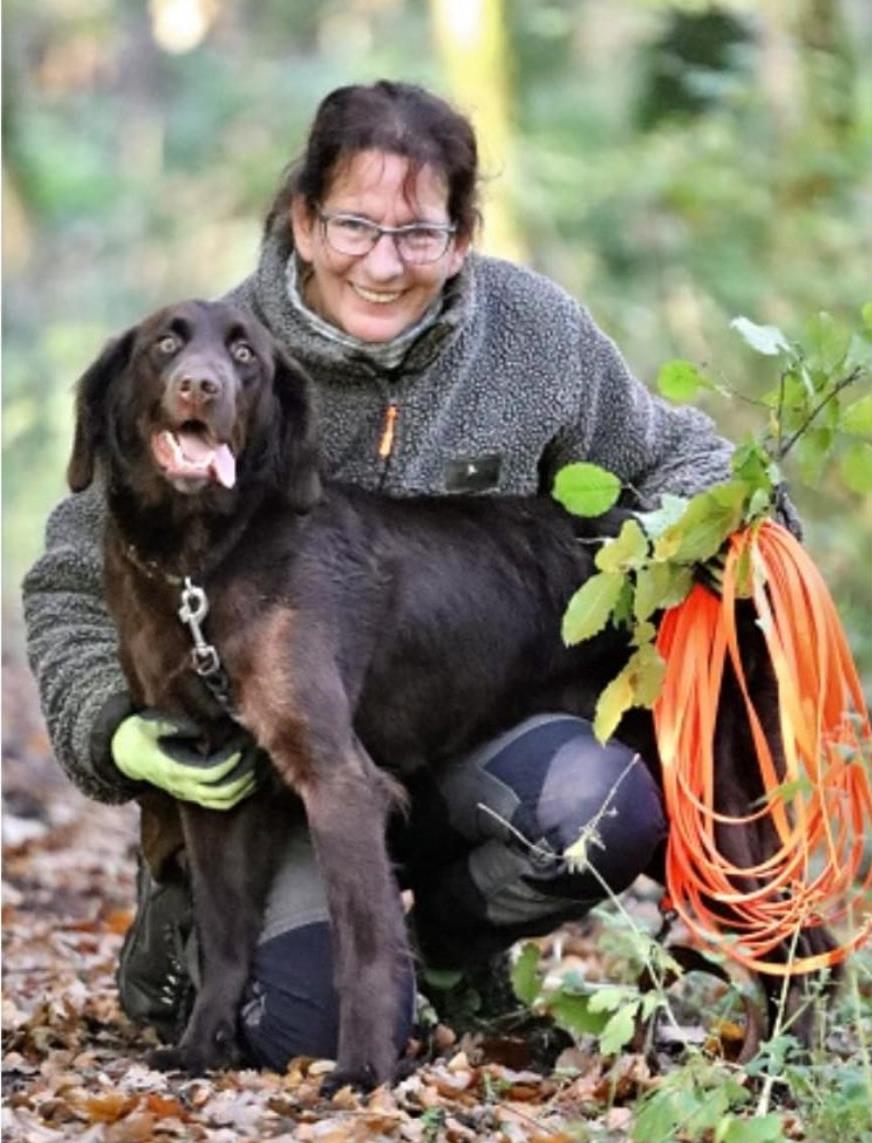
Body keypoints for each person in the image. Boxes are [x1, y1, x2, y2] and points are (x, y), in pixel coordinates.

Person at [23, 79, 736, 1072]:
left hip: (459, 725)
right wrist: (113, 728)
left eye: (417, 235)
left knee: (599, 808)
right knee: (296, 1036)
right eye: (355, 225)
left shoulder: (534, 337)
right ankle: (195, 947)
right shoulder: (215, 355)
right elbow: (65, 582)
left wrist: (712, 544)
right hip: (282, 785)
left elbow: (684, 459)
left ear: (458, 239)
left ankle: (447, 954)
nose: (384, 263)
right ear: (305, 224)